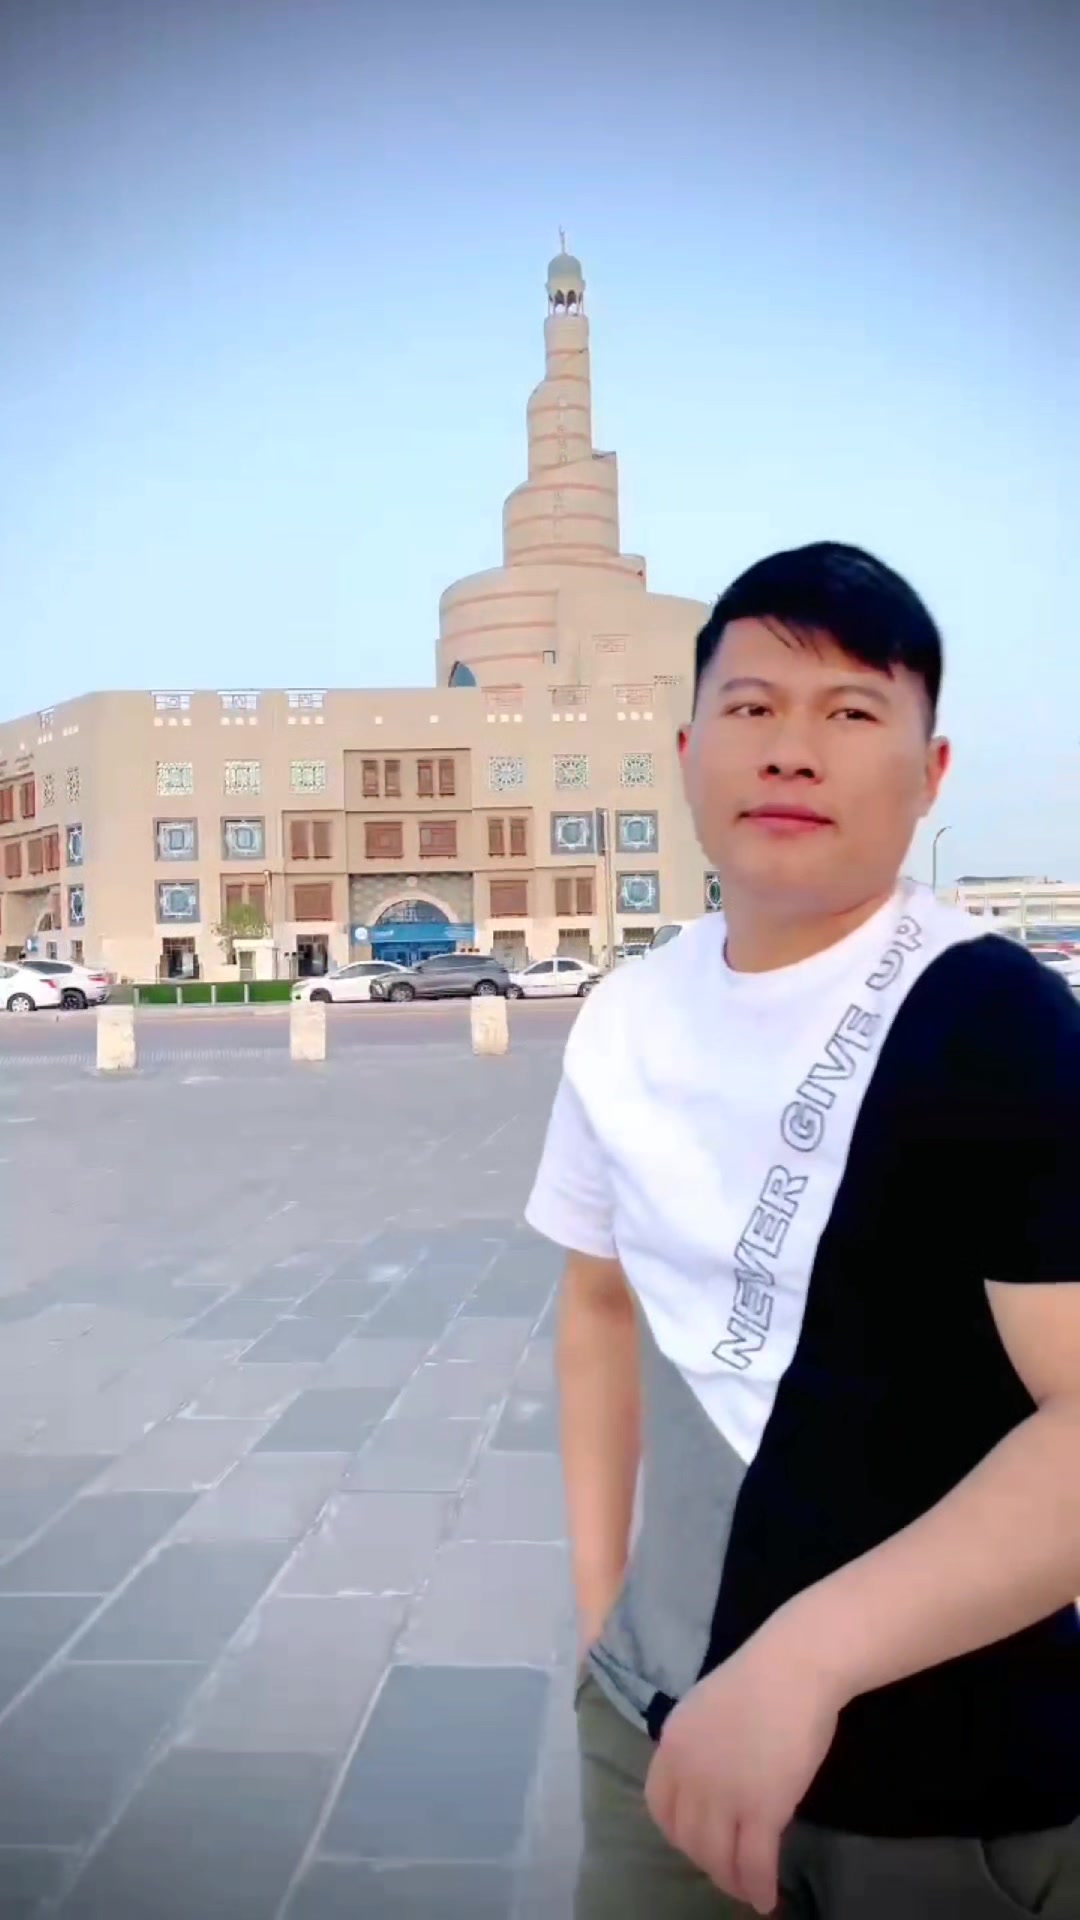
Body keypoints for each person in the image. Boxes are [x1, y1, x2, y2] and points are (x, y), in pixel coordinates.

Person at [525, 541, 1080, 1919]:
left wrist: (806, 1659)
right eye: (753, 706)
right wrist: (602, 1617)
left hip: (947, 1799)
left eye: (848, 711)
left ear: (930, 773)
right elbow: (598, 1308)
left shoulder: (996, 1023)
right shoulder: (624, 1020)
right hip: (655, 1744)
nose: (790, 749)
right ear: (687, 750)